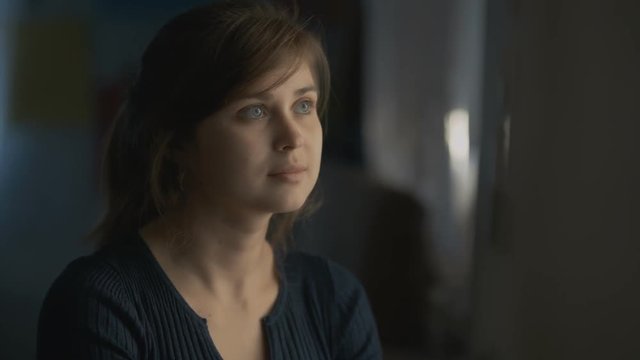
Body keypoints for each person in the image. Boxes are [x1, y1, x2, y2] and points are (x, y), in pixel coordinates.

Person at [36, 1, 382, 359]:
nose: (293, 137)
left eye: (304, 105)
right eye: (255, 111)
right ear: (177, 142)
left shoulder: (336, 299)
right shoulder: (100, 306)